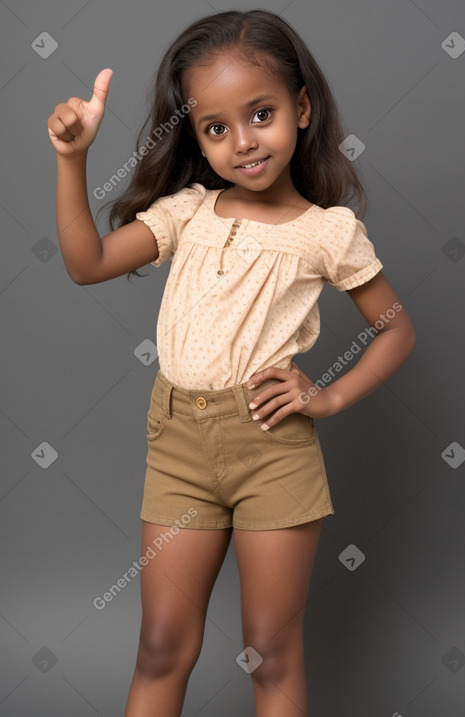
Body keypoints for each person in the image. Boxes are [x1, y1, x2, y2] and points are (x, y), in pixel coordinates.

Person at [47, 9, 415, 717]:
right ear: (197, 138)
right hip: (180, 441)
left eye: (262, 113)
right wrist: (71, 159)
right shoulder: (187, 211)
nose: (243, 141)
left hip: (272, 449)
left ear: (301, 108)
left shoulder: (328, 231)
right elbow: (85, 263)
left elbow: (396, 330)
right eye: (217, 127)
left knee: (269, 650)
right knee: (160, 644)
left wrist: (328, 397)